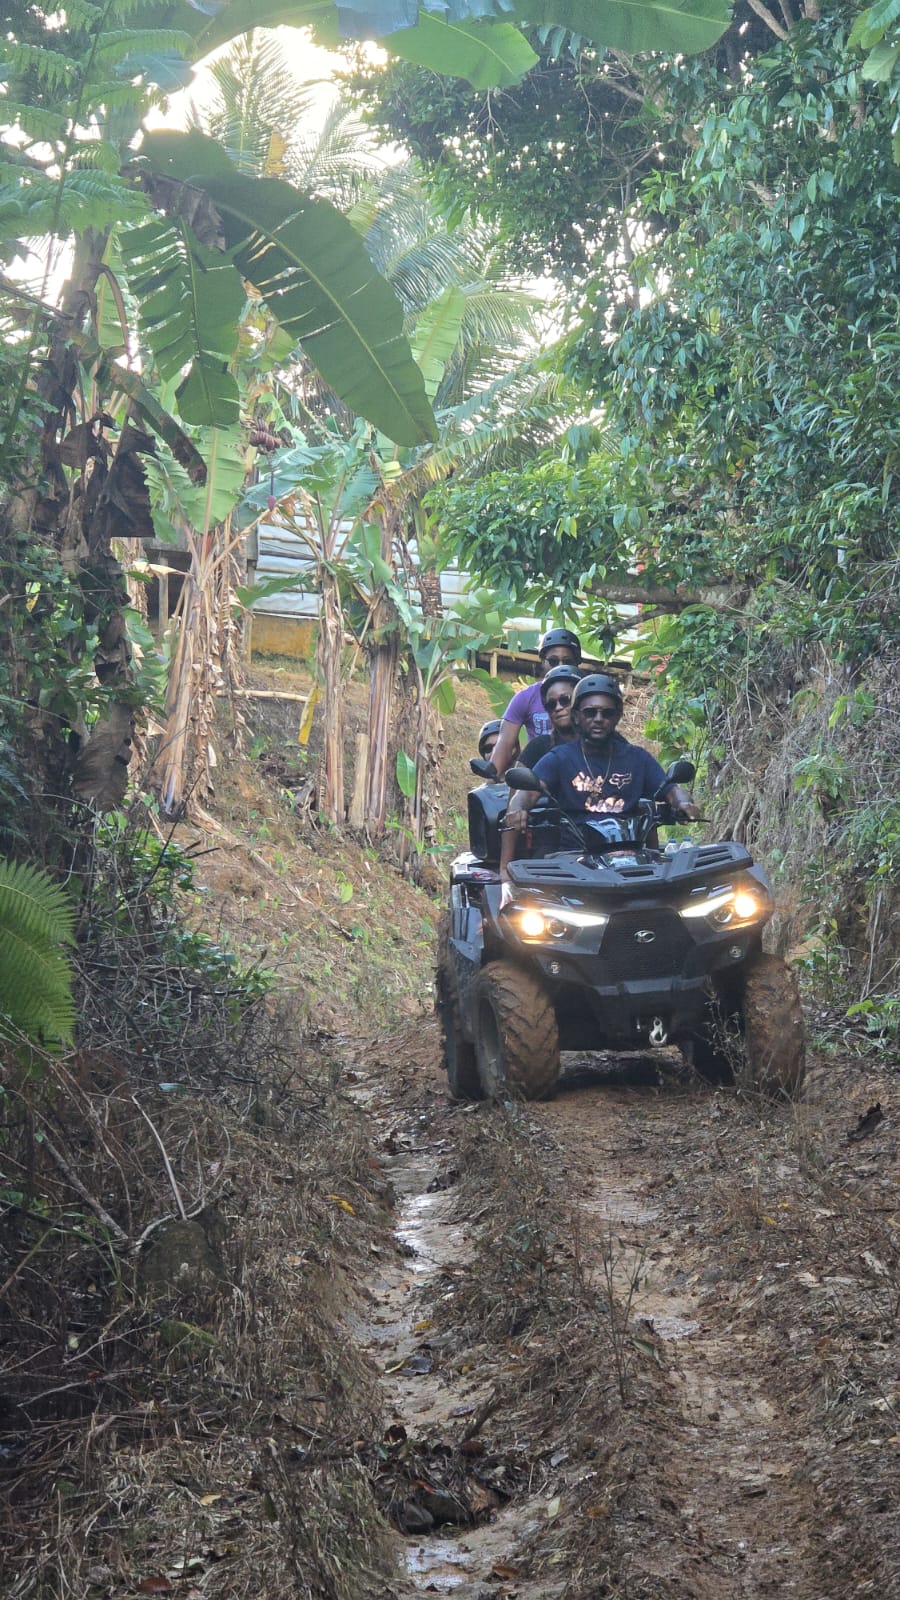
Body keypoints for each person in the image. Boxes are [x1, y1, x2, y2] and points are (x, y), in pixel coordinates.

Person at [500, 672, 700, 882]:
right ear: (577, 716)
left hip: (632, 857)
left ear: (618, 716)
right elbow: (527, 793)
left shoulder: (637, 758)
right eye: (590, 713)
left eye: (606, 713)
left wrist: (684, 803)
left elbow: (670, 790)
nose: (598, 719)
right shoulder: (559, 758)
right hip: (573, 858)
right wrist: (518, 809)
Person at [488, 627, 582, 778]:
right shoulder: (526, 697)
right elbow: (505, 744)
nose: (560, 665)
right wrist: (490, 781)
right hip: (536, 775)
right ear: (543, 662)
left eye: (567, 661)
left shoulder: (588, 695)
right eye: (553, 661)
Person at [519, 664, 581, 768]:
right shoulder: (538, 747)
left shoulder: (601, 745)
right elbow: (517, 781)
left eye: (565, 700)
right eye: (551, 704)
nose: (558, 707)